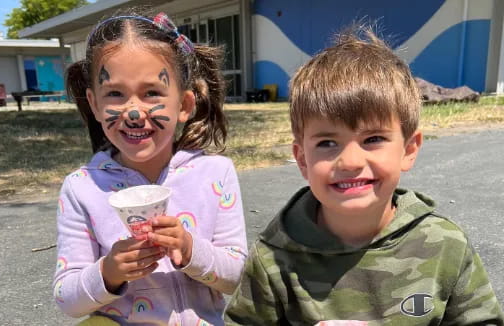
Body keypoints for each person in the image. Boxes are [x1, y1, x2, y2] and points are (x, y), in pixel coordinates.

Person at [224, 26, 503, 325]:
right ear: (302, 158)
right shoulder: (273, 257)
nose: (350, 161)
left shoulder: (446, 245)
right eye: (327, 143)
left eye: (373, 139)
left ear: (409, 149)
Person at [53, 9, 247, 325]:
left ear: (184, 105)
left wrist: (189, 250)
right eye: (115, 94)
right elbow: (66, 298)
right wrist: (109, 272)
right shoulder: (82, 187)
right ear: (95, 105)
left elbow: (237, 277)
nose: (133, 112)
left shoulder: (216, 174)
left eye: (152, 93)